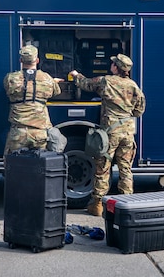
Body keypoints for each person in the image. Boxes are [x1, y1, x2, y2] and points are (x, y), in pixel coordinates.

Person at [69, 53, 146, 216]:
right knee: (125, 168)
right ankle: (127, 204)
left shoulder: (106, 81)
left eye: (113, 63)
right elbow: (139, 110)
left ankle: (97, 204)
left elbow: (86, 84)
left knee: (103, 166)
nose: (111, 64)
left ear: (116, 67)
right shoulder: (133, 86)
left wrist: (76, 75)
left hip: (110, 132)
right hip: (127, 132)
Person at [3, 45, 63, 155]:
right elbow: (56, 92)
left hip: (18, 132)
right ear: (37, 60)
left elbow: (7, 89)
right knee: (40, 165)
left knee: (14, 165)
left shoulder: (11, 78)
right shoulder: (47, 78)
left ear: (21, 60)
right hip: (39, 133)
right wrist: (53, 82)